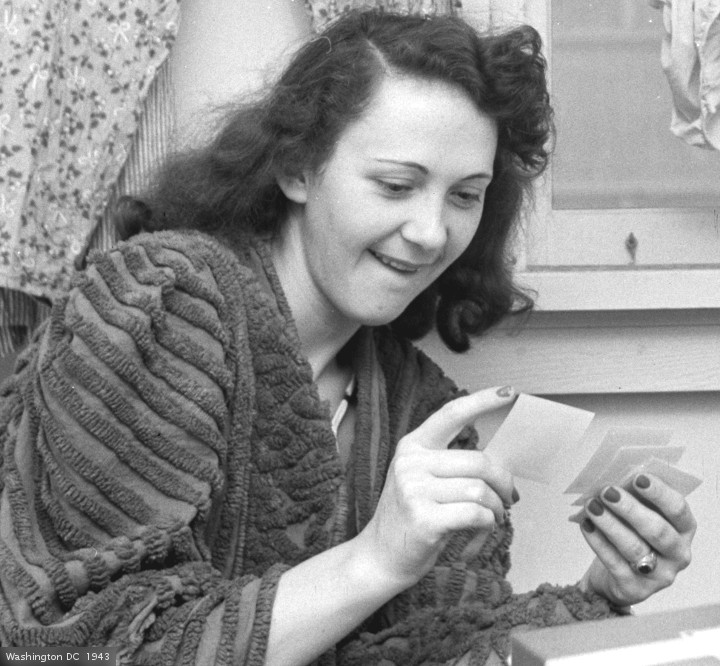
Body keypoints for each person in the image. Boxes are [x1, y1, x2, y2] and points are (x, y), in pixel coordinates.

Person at [0, 9, 696, 666]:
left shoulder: (421, 409)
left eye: (464, 195)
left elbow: (443, 648)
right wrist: (375, 559)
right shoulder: (155, 305)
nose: (432, 233)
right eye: (396, 185)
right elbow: (91, 647)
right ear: (297, 169)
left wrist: (601, 595)